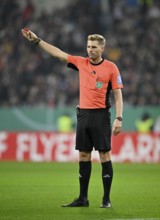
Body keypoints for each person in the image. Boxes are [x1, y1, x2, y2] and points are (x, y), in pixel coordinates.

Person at [21, 28, 123, 208]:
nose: (89, 49)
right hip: (83, 114)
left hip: (101, 115)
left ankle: (106, 199)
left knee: (104, 155)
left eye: (93, 47)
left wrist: (119, 118)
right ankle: (83, 199)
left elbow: (117, 95)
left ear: (102, 49)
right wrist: (37, 41)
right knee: (83, 155)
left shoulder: (111, 68)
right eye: (88, 46)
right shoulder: (81, 62)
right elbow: (58, 54)